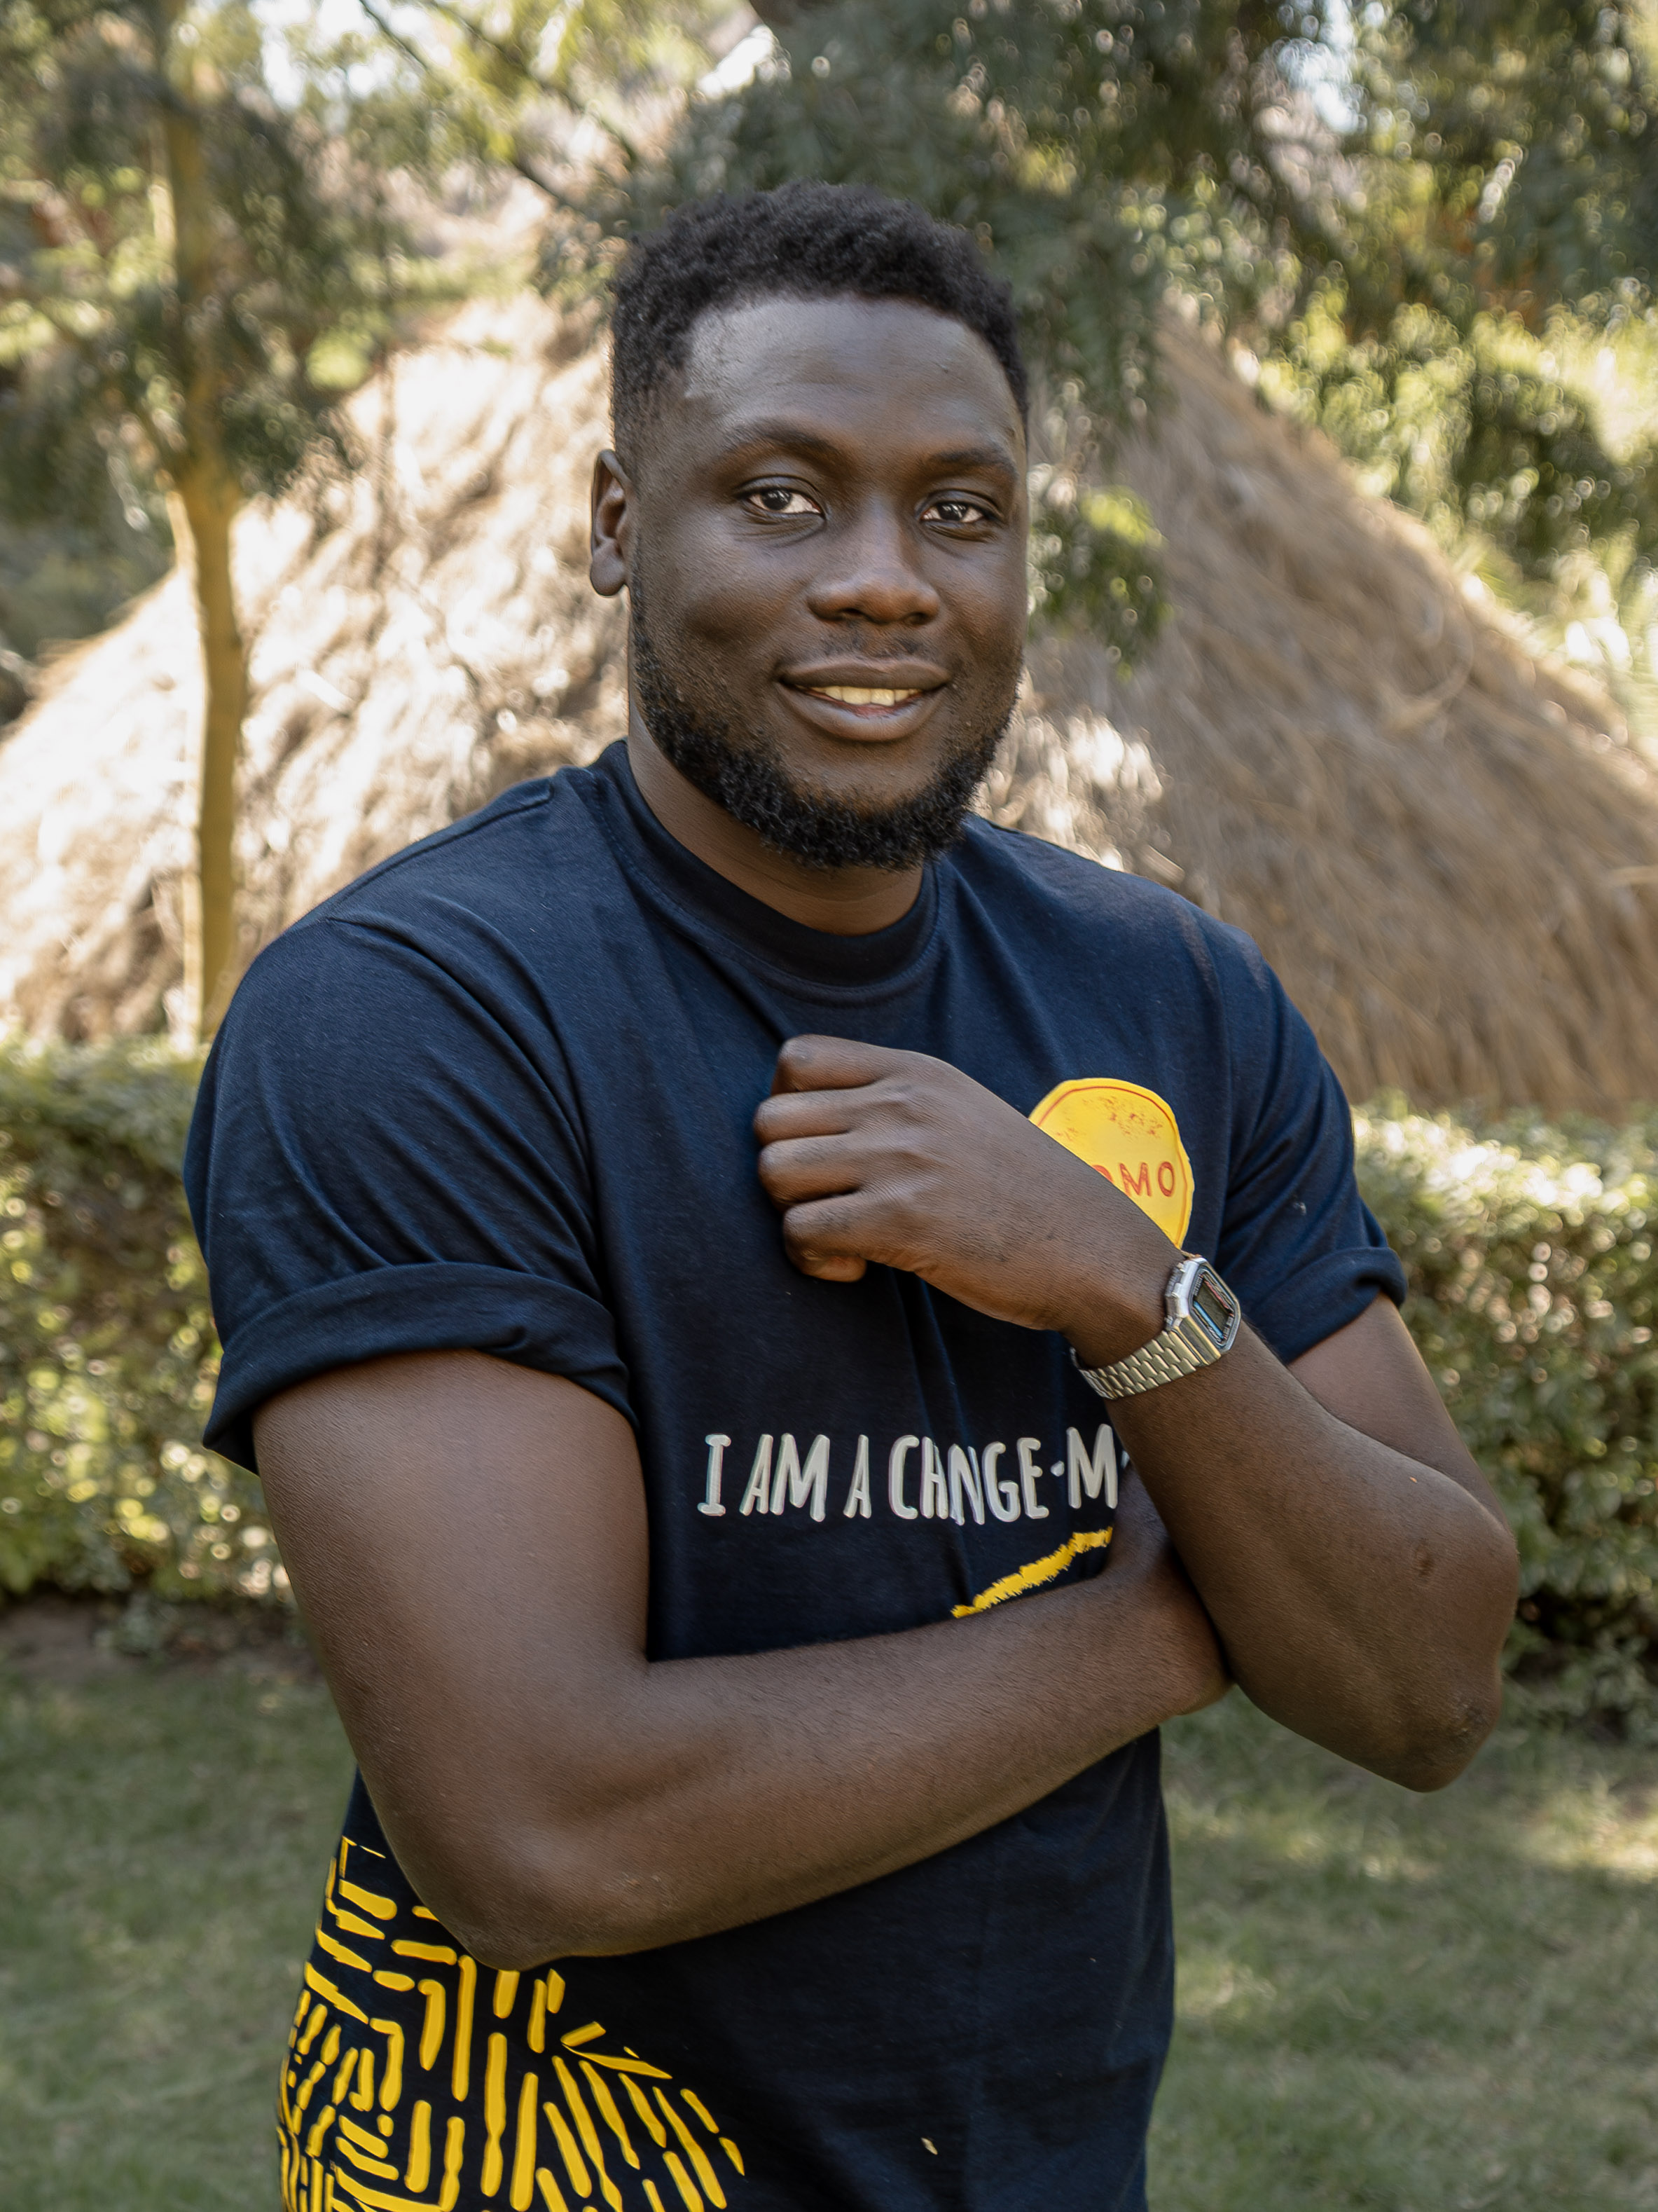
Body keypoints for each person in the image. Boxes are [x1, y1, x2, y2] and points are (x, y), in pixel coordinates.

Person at [185, 181, 1519, 2212]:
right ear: (621, 523)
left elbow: (1427, 1683)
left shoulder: (1170, 996)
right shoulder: (419, 1017)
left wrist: (1122, 1284)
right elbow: (544, 1834)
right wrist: (1175, 1626)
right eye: (783, 497)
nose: (887, 582)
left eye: (960, 510)